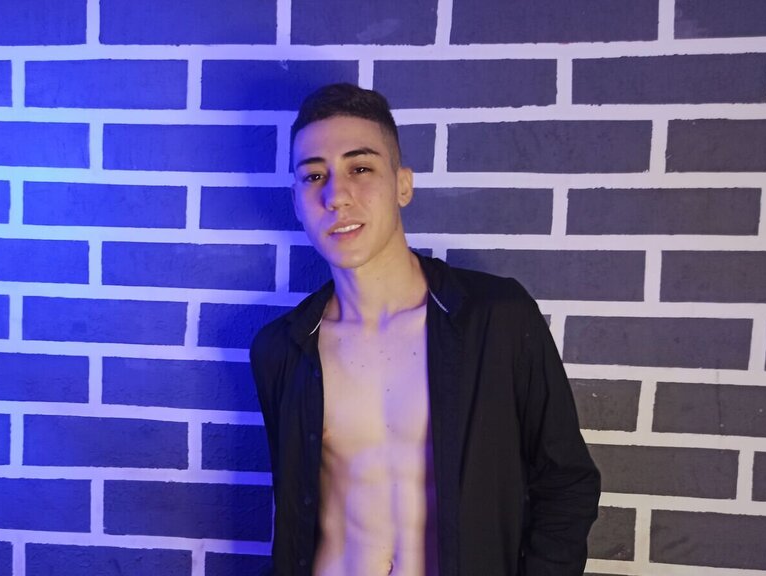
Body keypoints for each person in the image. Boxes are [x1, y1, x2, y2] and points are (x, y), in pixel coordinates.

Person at [250, 83, 600, 576]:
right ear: (296, 200)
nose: (336, 195)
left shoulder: (496, 320)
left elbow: (566, 482)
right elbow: (291, 513)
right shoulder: (282, 349)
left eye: (360, 168)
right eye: (314, 176)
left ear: (403, 185)